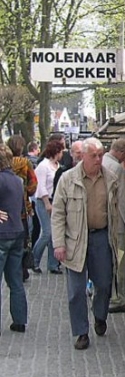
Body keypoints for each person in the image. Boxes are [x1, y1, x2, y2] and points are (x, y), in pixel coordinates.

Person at [51, 138, 121, 350]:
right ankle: (81, 332)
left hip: (101, 237)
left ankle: (100, 315)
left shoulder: (110, 178)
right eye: (94, 156)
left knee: (104, 284)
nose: (99, 159)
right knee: (76, 291)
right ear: (83, 156)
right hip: (75, 240)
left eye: (101, 155)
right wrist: (58, 244)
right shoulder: (68, 179)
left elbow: (115, 211)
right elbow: (57, 214)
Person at [103, 138, 125, 313]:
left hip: (105, 222)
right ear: (121, 152)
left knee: (107, 261)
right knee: (120, 260)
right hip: (117, 224)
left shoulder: (101, 162)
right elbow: (122, 199)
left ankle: (105, 294)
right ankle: (117, 298)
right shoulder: (117, 168)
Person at [0, 145, 28, 334]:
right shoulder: (18, 180)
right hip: (17, 232)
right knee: (15, 280)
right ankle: (19, 320)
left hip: (2, 234)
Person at [6, 136, 37, 282]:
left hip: (5, 209)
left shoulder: (4, 165)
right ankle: (22, 270)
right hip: (22, 208)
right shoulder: (26, 164)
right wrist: (25, 193)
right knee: (23, 240)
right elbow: (33, 184)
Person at [32, 138, 64, 274]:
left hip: (55, 201)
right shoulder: (43, 166)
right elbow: (41, 186)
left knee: (54, 235)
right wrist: (46, 203)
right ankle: (34, 260)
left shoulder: (57, 166)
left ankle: (53, 264)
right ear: (56, 151)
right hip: (43, 201)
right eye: (61, 151)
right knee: (46, 233)